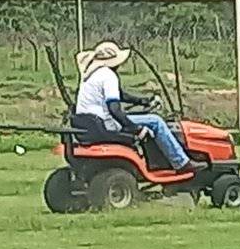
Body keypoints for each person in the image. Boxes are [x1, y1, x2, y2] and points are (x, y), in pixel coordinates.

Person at [74, 41, 206, 173]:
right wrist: (134, 128)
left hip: (91, 124)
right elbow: (114, 109)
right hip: (106, 124)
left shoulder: (91, 75)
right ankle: (181, 163)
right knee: (156, 121)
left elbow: (120, 95)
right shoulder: (108, 76)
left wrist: (144, 101)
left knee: (143, 118)